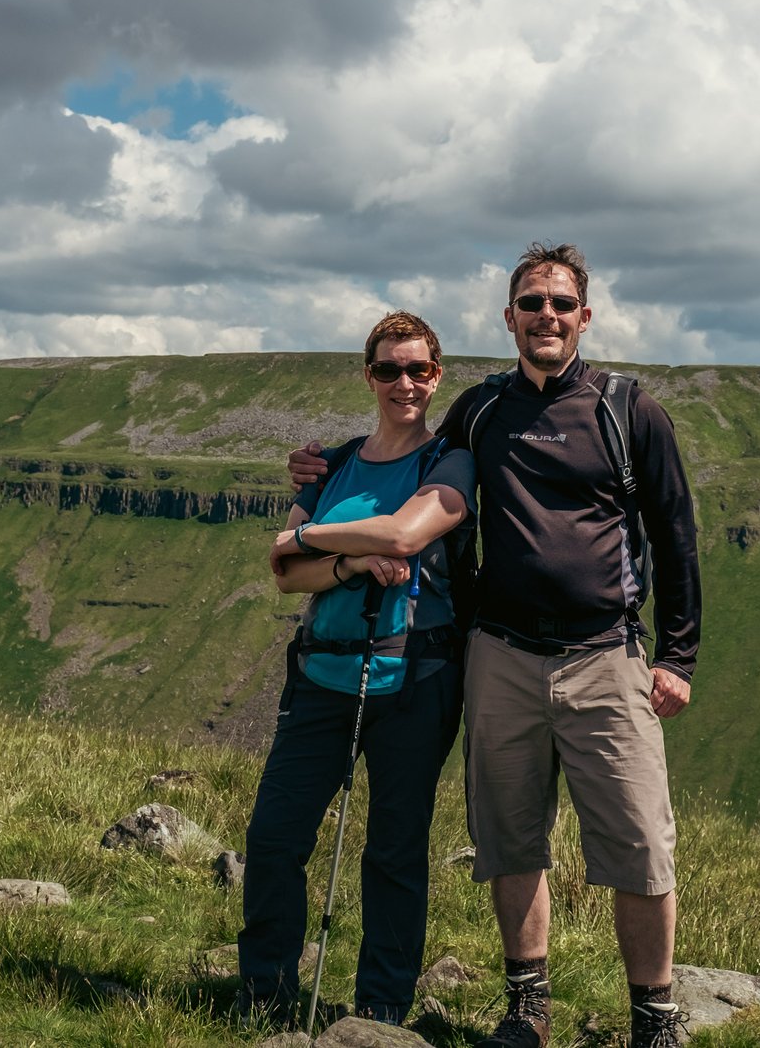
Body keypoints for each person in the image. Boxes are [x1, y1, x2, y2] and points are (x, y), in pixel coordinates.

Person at [291, 242, 701, 1048]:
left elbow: (676, 532)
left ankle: (654, 1015)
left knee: (640, 840)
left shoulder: (628, 409)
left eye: (559, 303)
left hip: (605, 655)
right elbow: (413, 465)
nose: (544, 315)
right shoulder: (480, 410)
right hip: (502, 657)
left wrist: (676, 656)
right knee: (511, 838)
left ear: (585, 316)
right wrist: (324, 465)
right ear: (508, 317)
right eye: (530, 302)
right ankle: (527, 1008)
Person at [240, 310, 476, 1028]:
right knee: (275, 836)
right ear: (368, 375)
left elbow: (406, 531)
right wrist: (346, 561)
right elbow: (286, 577)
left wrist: (308, 533)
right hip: (321, 675)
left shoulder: (450, 461)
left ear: (437, 376)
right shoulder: (335, 461)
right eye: (388, 368)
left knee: (395, 848)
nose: (403, 382)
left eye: (418, 369)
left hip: (417, 677)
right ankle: (266, 997)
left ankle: (380, 1010)